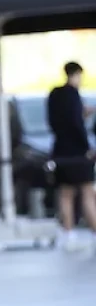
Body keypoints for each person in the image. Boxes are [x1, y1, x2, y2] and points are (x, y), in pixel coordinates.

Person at [46, 61, 96, 252]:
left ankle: (68, 234)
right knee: (87, 193)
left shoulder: (54, 95)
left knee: (65, 194)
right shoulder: (73, 95)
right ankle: (94, 231)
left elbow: (55, 121)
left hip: (60, 150)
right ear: (76, 74)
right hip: (77, 153)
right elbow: (76, 123)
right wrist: (86, 147)